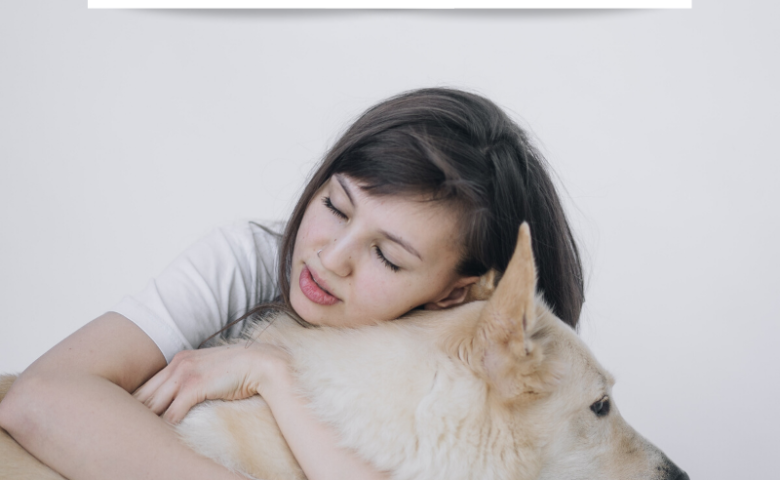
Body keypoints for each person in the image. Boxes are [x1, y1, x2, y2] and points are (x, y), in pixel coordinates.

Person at [0, 88, 584, 480]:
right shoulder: (251, 258)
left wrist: (272, 375)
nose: (330, 258)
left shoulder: (458, 370)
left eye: (386, 254)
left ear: (454, 293)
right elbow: (40, 398)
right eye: (335, 205)